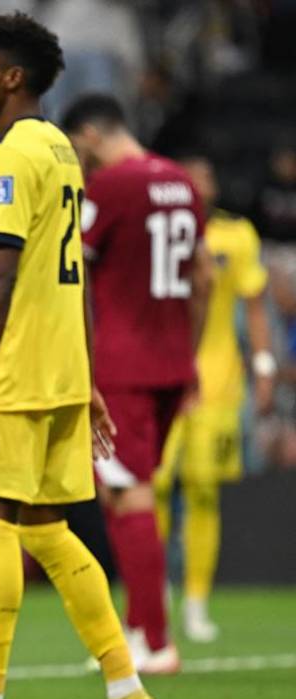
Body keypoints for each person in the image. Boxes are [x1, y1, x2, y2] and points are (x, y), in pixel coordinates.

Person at [0, 13, 162, 699]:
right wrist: (84, 377)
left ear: (11, 77)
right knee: (49, 531)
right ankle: (127, 695)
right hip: (60, 375)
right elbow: (76, 272)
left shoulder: (12, 155)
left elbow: (1, 272)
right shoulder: (62, 148)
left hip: (18, 377)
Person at [62, 93, 213, 673]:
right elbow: (203, 278)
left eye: (79, 149)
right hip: (174, 361)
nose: (81, 162)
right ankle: (135, 627)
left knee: (129, 495)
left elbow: (74, 270)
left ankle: (153, 638)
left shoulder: (112, 188)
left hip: (122, 364)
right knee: (136, 488)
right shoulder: (182, 182)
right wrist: (190, 355)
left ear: (93, 134)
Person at [153, 153, 275, 643]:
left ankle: (197, 602)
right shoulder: (156, 228)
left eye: (207, 177)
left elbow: (256, 307)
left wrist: (264, 368)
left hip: (220, 381)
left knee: (203, 490)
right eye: (191, 177)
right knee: (155, 489)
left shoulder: (236, 236)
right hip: (160, 376)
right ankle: (153, 598)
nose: (201, 186)